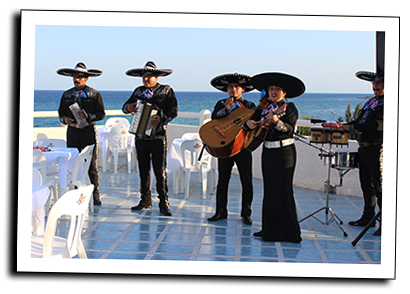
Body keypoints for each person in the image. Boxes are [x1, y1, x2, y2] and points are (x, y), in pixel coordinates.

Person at [244, 72, 305, 243]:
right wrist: (247, 124)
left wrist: (277, 121)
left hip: (285, 153)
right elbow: (248, 124)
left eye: (277, 89)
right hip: (268, 153)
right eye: (271, 88)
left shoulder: (289, 107)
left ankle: (291, 233)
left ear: (284, 92)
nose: (273, 91)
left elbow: (289, 129)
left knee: (284, 191)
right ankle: (269, 230)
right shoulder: (263, 109)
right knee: (269, 191)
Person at [122, 61, 178, 216]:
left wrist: (161, 119)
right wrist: (129, 108)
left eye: (149, 76)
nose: (146, 79)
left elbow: (174, 111)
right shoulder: (138, 91)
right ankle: (145, 200)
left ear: (157, 76)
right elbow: (125, 107)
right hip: (140, 136)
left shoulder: (166, 90)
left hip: (158, 136)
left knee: (160, 171)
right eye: (144, 76)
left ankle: (163, 202)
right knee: (143, 170)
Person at [207, 73, 255, 225]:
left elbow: (254, 122)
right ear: (227, 89)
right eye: (230, 87)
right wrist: (226, 111)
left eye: (236, 87)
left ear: (242, 89)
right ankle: (220, 211)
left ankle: (246, 213)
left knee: (246, 181)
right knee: (223, 180)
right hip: (225, 147)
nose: (233, 89)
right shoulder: (221, 103)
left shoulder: (249, 105)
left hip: (243, 147)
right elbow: (214, 119)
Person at [341, 71, 383, 236]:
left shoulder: (389, 103)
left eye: (379, 83)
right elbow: (359, 122)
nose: (375, 86)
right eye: (374, 83)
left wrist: (351, 128)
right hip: (364, 148)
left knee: (380, 187)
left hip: (378, 148)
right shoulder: (371, 103)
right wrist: (343, 126)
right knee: (366, 185)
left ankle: (386, 223)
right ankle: (368, 217)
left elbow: (378, 125)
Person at [57, 62, 105, 205]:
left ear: (86, 78)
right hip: (72, 132)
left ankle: (95, 194)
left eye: (80, 77)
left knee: (91, 164)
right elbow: (60, 113)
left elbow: (101, 114)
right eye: (75, 76)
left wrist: (88, 116)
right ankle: (76, 193)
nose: (77, 79)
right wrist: (65, 119)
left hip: (88, 132)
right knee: (73, 164)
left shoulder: (95, 94)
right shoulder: (67, 94)